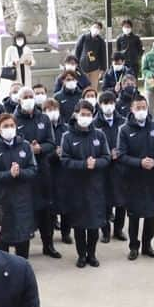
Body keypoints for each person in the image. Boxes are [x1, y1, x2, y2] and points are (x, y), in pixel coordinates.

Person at [59, 101, 111, 268]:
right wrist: (83, 164)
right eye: (83, 114)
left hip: (95, 186)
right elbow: (65, 160)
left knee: (94, 224)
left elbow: (107, 157)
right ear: (75, 114)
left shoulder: (99, 135)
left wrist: (95, 163)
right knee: (80, 225)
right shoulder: (67, 136)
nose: (85, 118)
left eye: (89, 115)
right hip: (76, 187)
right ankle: (81, 255)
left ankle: (92, 254)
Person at [116, 94, 154, 260]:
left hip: (152, 178)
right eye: (138, 108)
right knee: (134, 215)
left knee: (151, 213)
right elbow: (121, 155)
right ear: (131, 109)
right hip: (133, 179)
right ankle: (133, 246)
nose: (141, 111)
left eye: (143, 107)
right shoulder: (124, 130)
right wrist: (139, 162)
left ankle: (147, 245)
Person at [13, 87, 60, 259]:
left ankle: (48, 245)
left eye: (30, 96)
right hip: (24, 172)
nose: (28, 99)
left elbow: (51, 143)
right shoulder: (14, 119)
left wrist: (40, 148)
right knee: (26, 210)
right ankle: (23, 249)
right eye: (25, 97)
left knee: (46, 210)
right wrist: (27, 149)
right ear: (19, 100)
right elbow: (12, 143)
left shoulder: (44, 118)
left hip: (43, 170)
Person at [0, 113, 37, 258]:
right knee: (3, 237)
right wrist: (9, 174)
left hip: (22, 199)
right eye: (5, 126)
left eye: (12, 125)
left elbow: (33, 169)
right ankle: (4, 269)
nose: (9, 129)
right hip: (2, 198)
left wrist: (20, 173)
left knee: (23, 236)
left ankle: (22, 267)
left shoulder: (25, 146)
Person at [95, 91, 125, 243]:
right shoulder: (95, 124)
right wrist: (106, 154)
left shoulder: (123, 122)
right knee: (104, 201)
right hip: (103, 168)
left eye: (111, 102)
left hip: (120, 167)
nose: (109, 106)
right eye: (105, 103)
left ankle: (118, 230)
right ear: (100, 105)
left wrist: (119, 152)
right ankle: (105, 231)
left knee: (121, 201)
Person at [43, 98, 72, 245]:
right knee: (50, 205)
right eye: (48, 110)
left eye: (54, 109)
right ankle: (49, 236)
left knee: (66, 203)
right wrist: (54, 154)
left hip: (65, 171)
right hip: (48, 171)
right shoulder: (43, 129)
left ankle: (66, 233)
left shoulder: (66, 128)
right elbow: (40, 152)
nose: (52, 113)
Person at [0, 31, 35, 99]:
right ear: (15, 40)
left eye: (21, 39)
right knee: (16, 89)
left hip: (25, 71)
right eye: (18, 39)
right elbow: (6, 63)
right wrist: (13, 63)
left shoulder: (27, 49)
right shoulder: (10, 49)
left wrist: (30, 62)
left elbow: (33, 61)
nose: (20, 41)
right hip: (15, 72)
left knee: (26, 88)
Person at [74, 21, 107, 89]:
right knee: (82, 87)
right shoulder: (84, 37)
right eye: (95, 27)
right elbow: (77, 50)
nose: (96, 29)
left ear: (100, 30)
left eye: (98, 28)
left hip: (95, 68)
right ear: (91, 28)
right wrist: (76, 64)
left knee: (93, 87)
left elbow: (103, 55)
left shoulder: (101, 41)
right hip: (82, 67)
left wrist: (103, 69)